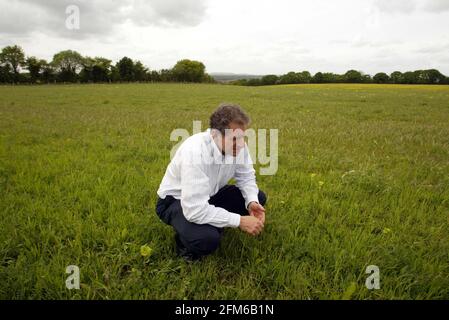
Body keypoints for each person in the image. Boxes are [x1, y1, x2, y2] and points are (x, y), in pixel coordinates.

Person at [155, 103, 267, 261]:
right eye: (235, 139)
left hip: (209, 194)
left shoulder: (238, 145)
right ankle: (184, 243)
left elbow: (246, 176)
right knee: (207, 239)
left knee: (259, 197)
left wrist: (251, 202)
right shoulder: (194, 152)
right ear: (215, 134)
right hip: (176, 201)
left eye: (243, 137)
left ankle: (215, 221)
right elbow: (194, 210)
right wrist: (239, 221)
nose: (241, 144)